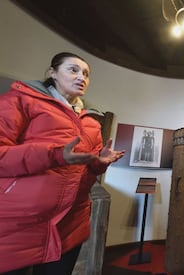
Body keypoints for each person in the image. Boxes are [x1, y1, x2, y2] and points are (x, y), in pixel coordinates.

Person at [0, 52, 125, 274]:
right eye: (73, 69)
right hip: (16, 224)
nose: (82, 77)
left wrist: (99, 163)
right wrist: (54, 155)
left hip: (70, 225)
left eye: (86, 74)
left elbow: (86, 174)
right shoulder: (21, 100)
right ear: (52, 73)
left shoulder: (91, 123)